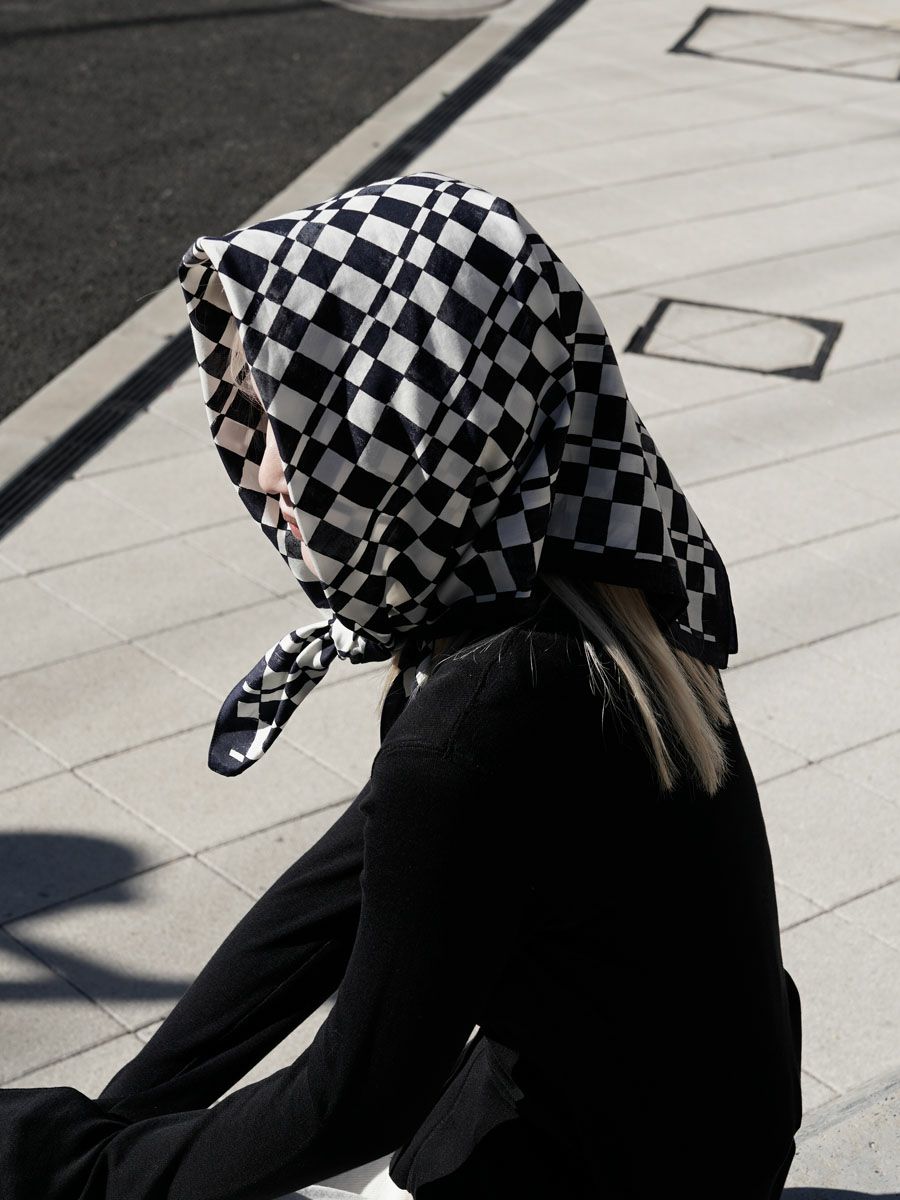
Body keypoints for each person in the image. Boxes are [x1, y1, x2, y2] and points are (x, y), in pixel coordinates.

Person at [0, 170, 802, 1199]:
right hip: (701, 1118)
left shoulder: (478, 718)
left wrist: (79, 1171)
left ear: (409, 425)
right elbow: (330, 901)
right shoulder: (606, 584)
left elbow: (356, 1096)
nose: (266, 473)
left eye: (294, 421)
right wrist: (123, 1114)